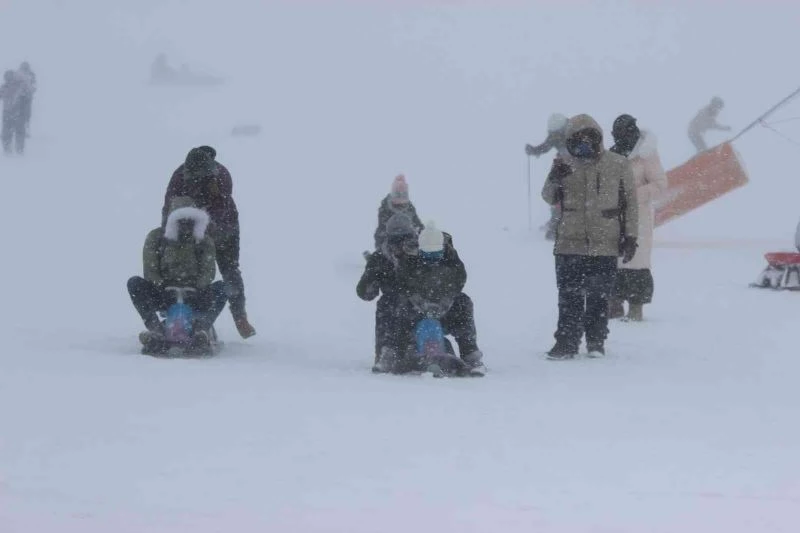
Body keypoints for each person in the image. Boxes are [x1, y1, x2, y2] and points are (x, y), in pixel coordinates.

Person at [541, 114, 639, 359]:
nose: (584, 144)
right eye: (578, 139)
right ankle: (566, 342)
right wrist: (555, 177)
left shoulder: (617, 164)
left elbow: (630, 204)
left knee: (598, 297)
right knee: (569, 297)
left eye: (589, 138)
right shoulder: (564, 162)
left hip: (604, 242)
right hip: (569, 243)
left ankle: (596, 341)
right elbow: (548, 197)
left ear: (598, 138)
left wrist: (630, 236)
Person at [357, 214, 485, 374]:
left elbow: (457, 277)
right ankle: (388, 353)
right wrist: (372, 277)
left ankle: (470, 355)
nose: (401, 245)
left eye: (407, 239)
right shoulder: (380, 259)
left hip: (438, 305)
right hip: (404, 315)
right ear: (387, 239)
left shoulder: (426, 250)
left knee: (463, 301)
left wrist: (447, 298)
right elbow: (366, 293)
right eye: (395, 240)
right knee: (387, 302)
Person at [162, 146, 256, 338]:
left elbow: (221, 210)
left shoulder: (221, 176)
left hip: (224, 228)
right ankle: (182, 313)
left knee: (230, 269)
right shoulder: (179, 177)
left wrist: (209, 233)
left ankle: (240, 317)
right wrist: (169, 233)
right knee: (188, 268)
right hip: (186, 226)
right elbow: (168, 208)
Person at [127, 197, 228, 355]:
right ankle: (156, 330)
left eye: (190, 220)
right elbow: (150, 266)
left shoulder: (204, 241)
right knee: (134, 283)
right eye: (181, 220)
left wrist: (196, 287)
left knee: (223, 287)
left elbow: (209, 271)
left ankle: (201, 329)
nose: (185, 224)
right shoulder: (156, 238)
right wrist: (161, 285)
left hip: (195, 294)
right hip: (163, 294)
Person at [607, 115, 668, 321]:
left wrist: (632, 195)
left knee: (635, 262)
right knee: (613, 260)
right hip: (613, 216)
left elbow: (660, 184)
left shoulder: (646, 154)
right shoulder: (611, 154)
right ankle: (614, 306)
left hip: (639, 217)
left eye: (622, 133)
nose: (618, 137)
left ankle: (635, 309)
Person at [526, 113, 569, 240]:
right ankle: (555, 220)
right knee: (555, 191)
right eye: (554, 133)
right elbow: (546, 146)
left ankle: (558, 225)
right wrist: (533, 150)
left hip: (575, 166)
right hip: (561, 165)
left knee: (564, 193)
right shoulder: (555, 134)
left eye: (558, 133)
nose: (556, 136)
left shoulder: (573, 130)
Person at [372, 174, 424, 250]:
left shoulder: (410, 208)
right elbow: (381, 230)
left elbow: (418, 225)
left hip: (408, 240)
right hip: (391, 242)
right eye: (398, 194)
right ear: (393, 194)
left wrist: (425, 235)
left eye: (404, 194)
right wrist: (381, 247)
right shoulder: (385, 208)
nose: (400, 198)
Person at [0, 70, 26, 155]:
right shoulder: (5, 87)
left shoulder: (19, 86)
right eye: (7, 77)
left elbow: (26, 96)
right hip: (13, 112)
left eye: (9, 77)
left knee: (12, 131)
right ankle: (15, 148)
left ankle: (14, 148)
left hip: (13, 112)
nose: (8, 79)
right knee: (14, 131)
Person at [16, 62, 35, 137]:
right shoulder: (17, 74)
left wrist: (31, 90)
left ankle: (26, 130)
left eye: (26, 66)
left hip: (27, 97)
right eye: (24, 66)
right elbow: (14, 84)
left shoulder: (31, 74)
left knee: (26, 114)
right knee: (20, 114)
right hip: (20, 97)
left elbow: (34, 85)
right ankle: (21, 129)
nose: (25, 67)